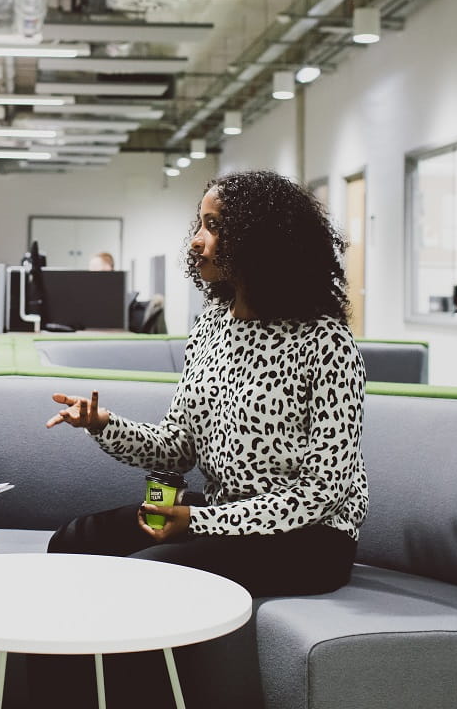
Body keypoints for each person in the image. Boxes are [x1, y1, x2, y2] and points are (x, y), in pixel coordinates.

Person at [46, 170, 368, 599]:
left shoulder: (325, 342)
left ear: (258, 241)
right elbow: (178, 448)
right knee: (74, 541)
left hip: (309, 538)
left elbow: (320, 494)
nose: (196, 240)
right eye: (199, 224)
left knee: (144, 575)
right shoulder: (212, 325)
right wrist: (104, 424)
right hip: (224, 515)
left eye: (214, 227)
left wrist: (196, 522)